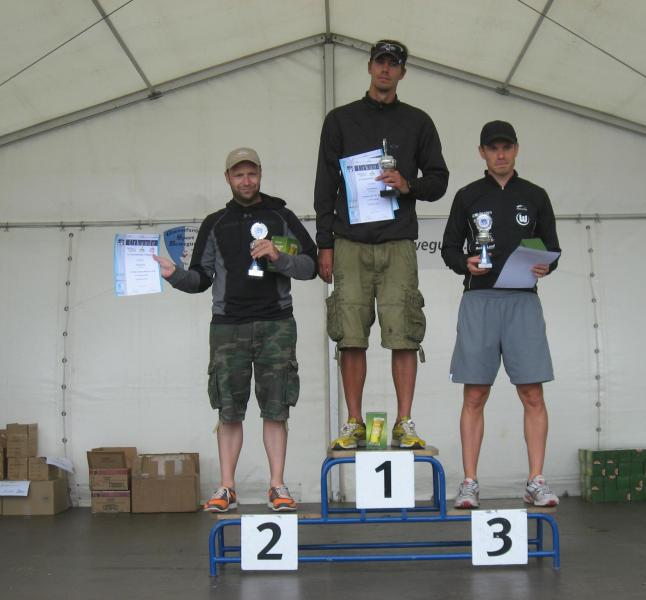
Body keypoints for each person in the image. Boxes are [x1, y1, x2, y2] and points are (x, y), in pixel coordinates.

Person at [154, 147, 317, 513]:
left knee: (276, 408)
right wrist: (174, 275)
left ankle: (277, 486)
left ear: (261, 174)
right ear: (227, 178)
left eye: (252, 173)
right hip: (228, 327)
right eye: (239, 174)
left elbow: (311, 267)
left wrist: (279, 257)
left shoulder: (281, 216)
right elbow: (200, 278)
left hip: (277, 324)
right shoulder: (215, 223)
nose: (246, 181)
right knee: (228, 411)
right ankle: (226, 488)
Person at [314, 40, 449, 450]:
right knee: (350, 336)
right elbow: (325, 185)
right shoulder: (340, 120)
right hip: (349, 242)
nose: (386, 70)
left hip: (397, 241)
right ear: (369, 67)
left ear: (402, 72)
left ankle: (404, 422)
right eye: (380, 62)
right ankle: (354, 423)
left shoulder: (418, 121)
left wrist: (408, 185)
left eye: (393, 64)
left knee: (404, 333)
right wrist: (324, 243)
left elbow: (439, 180)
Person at [441, 121, 561, 509]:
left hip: (523, 301)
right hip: (479, 299)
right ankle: (470, 482)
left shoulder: (536, 195)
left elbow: (553, 248)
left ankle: (536, 480)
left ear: (516, 149)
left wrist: (546, 265)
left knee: (532, 392)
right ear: (482, 152)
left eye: (506, 147)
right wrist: (465, 262)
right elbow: (448, 248)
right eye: (493, 148)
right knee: (475, 392)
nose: (501, 154)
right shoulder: (468, 196)